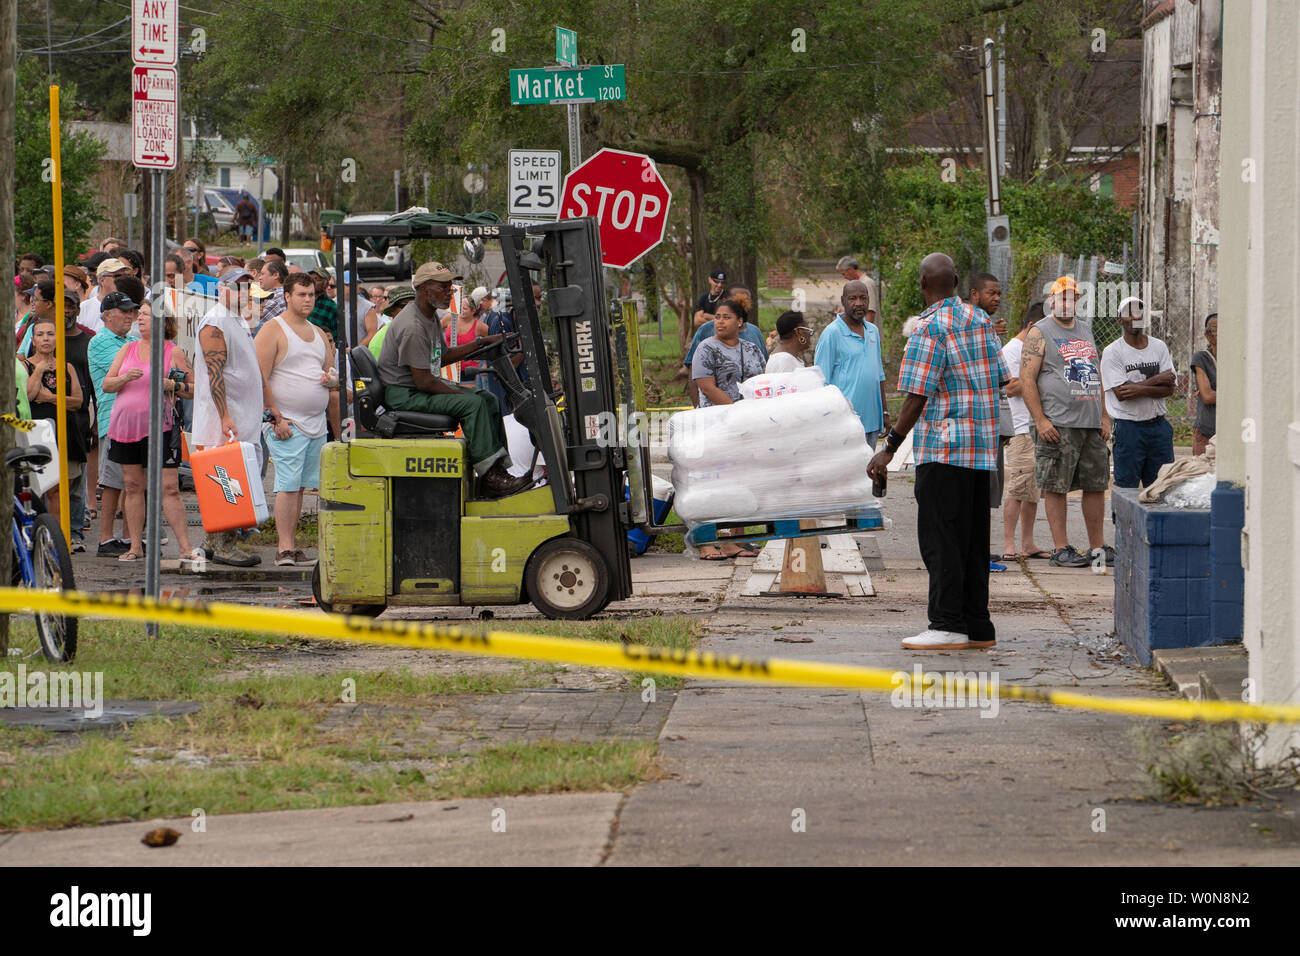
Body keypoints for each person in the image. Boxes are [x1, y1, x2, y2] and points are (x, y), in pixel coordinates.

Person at [867, 253, 1008, 650]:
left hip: (943, 451)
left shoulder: (928, 329)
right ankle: (978, 625)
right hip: (981, 452)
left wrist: (889, 448)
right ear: (959, 281)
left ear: (922, 284)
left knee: (941, 540)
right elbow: (1001, 378)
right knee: (974, 541)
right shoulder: (981, 321)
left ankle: (946, 623)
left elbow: (916, 395)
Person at [377, 261, 528, 498]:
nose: (450, 291)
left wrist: (481, 343)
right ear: (425, 288)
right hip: (405, 394)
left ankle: (496, 471)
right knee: (474, 403)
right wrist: (461, 394)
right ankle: (490, 477)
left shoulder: (429, 316)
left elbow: (443, 356)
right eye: (444, 287)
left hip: (416, 386)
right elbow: (424, 382)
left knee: (487, 399)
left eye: (451, 286)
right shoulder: (413, 326)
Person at [1018, 276, 1112, 568]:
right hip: (1058, 423)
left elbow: (1096, 374)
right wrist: (1041, 420)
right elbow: (1026, 379)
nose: (1067, 303)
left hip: (1089, 422)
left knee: (1096, 485)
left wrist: (1104, 415)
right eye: (1062, 298)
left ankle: (1097, 547)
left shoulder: (1084, 329)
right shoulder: (1040, 331)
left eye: (1072, 298)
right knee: (1057, 486)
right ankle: (1061, 548)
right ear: (1052, 301)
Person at [101, 300, 200, 564]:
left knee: (169, 487)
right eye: (139, 315)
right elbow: (107, 384)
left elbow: (194, 388)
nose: (140, 318)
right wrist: (124, 378)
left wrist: (172, 384)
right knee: (133, 486)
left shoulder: (172, 351)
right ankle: (135, 546)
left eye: (145, 314)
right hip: (125, 426)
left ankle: (185, 547)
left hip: (162, 427)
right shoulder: (128, 348)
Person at [193, 267, 274, 566]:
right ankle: (225, 545)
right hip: (224, 421)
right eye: (236, 287)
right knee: (227, 483)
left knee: (228, 481)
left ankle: (212, 542)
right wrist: (225, 415)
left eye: (246, 288)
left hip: (242, 416)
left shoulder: (236, 319)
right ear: (221, 289)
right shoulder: (215, 321)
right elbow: (216, 373)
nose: (242, 293)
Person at [255, 273, 333, 566]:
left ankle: (292, 543)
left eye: (311, 294)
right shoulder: (272, 330)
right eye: (301, 294)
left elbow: (330, 371)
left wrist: (331, 380)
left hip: (315, 422)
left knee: (301, 485)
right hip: (287, 421)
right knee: (287, 484)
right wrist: (275, 416)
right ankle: (284, 548)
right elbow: (259, 376)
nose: (308, 300)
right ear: (286, 296)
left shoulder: (317, 332)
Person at [1100, 297, 1176, 489]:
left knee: (1162, 487)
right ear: (1120, 319)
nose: (1135, 317)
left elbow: (1170, 388)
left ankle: (1157, 521)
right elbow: (1122, 393)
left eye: (1139, 312)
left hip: (1158, 427)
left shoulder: (1159, 347)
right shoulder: (1113, 352)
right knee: (1127, 488)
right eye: (1129, 313)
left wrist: (1138, 387)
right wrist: (1157, 380)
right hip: (1129, 429)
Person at [88, 288, 141, 557]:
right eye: (124, 311)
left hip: (133, 419)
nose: (130, 316)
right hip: (113, 419)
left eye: (133, 311)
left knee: (132, 481)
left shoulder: (128, 341)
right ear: (108, 315)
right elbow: (125, 371)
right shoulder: (100, 342)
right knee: (112, 483)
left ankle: (128, 536)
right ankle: (107, 538)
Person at [24, 316, 86, 534]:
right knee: (36, 490)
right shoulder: (25, 364)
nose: (46, 339)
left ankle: (58, 539)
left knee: (59, 491)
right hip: (37, 435)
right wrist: (39, 369)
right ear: (33, 340)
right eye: (40, 335)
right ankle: (36, 535)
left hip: (64, 432)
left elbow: (78, 401)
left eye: (50, 334)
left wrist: (50, 398)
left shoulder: (66, 366)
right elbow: (29, 396)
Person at [999, 301, 1048, 560]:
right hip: (1019, 428)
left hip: (1036, 426)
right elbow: (1007, 388)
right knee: (1017, 488)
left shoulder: (1034, 349)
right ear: (1031, 327)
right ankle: (1009, 545)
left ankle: (1028, 543)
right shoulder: (1012, 350)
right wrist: (1034, 375)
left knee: (1033, 490)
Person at [814, 280, 889, 448]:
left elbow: (879, 374)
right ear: (843, 301)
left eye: (863, 298)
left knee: (868, 470)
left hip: (872, 420)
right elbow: (820, 382)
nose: (859, 303)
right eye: (852, 298)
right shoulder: (831, 334)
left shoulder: (872, 331)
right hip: (845, 423)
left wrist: (884, 412)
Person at [684, 287, 768, 405]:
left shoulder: (752, 349)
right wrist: (735, 410)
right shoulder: (706, 348)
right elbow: (707, 388)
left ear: (739, 321)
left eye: (726, 317)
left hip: (752, 415)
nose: (720, 321)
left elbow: (764, 381)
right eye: (717, 317)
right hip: (719, 416)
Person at [442, 292, 490, 383]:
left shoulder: (479, 326)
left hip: (468, 370)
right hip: (448, 367)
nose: (461, 310)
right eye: (460, 307)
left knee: (467, 395)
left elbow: (493, 340)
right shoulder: (450, 318)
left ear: (473, 311)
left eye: (464, 308)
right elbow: (433, 330)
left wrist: (484, 362)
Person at [1189, 313, 1217, 456]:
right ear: (1207, 335)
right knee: (1203, 474)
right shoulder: (1201, 357)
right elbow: (1207, 396)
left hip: (1233, 430)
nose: (1217, 334)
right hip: (1207, 429)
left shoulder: (1238, 357)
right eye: (1213, 329)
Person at [368, 285, 414, 360]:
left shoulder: (425, 330)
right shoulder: (381, 339)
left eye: (415, 304)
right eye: (404, 305)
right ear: (392, 310)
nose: (411, 309)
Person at [835, 256, 881, 332]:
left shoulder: (867, 283)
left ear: (850, 270)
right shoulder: (858, 284)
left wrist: (865, 334)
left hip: (868, 336)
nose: (844, 277)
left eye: (844, 274)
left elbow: (870, 312)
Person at [255, 258, 288, 330]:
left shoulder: (275, 298)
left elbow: (254, 326)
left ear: (276, 275)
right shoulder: (284, 293)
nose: (259, 278)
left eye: (263, 274)